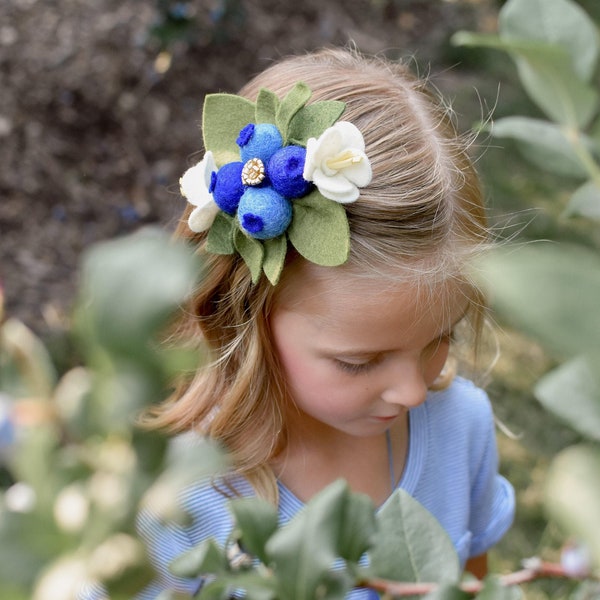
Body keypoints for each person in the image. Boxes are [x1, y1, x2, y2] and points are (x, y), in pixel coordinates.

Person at [86, 46, 516, 599]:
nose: (413, 390)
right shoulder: (182, 499)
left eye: (441, 337)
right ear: (245, 314)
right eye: (358, 362)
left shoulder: (462, 429)